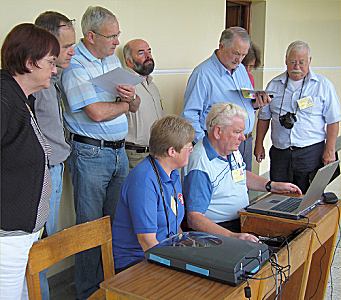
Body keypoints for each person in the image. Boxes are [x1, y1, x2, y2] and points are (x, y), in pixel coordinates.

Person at [61, 6, 140, 298]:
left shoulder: (109, 61)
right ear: (90, 36)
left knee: (117, 223)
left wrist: (131, 100)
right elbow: (95, 112)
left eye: (118, 35)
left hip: (118, 152)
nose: (117, 42)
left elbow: (135, 105)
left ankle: (112, 287)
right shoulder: (75, 67)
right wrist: (124, 105)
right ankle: (88, 292)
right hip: (91, 154)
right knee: (91, 229)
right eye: (112, 36)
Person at [183, 103, 302, 241]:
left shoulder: (227, 147)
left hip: (243, 219)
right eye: (237, 132)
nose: (243, 138)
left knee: (292, 231)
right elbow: (194, 218)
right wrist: (234, 237)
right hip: (220, 231)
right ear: (217, 132)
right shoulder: (200, 165)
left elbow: (240, 174)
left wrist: (271, 185)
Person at [0, 23, 59, 300]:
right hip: (6, 238)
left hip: (19, 237)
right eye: (50, 62)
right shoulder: (4, 99)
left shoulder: (20, 98)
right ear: (29, 62)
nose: (54, 69)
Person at [254, 41, 341, 193]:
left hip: (310, 152)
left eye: (301, 62)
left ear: (309, 62)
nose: (297, 67)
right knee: (279, 195)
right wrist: (259, 143)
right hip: (281, 153)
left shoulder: (322, 85)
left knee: (309, 196)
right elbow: (264, 117)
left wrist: (330, 149)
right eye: (293, 62)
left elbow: (333, 120)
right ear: (285, 60)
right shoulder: (273, 85)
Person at [112, 115, 195, 272]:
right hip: (137, 262)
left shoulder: (173, 173)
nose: (191, 151)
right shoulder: (143, 181)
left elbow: (175, 227)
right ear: (172, 151)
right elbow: (147, 241)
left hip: (165, 253)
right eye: (189, 148)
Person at [182, 26, 271, 171]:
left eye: (243, 55)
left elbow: (244, 100)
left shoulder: (241, 69)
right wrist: (205, 146)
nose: (239, 59)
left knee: (241, 187)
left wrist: (255, 104)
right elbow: (189, 114)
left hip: (245, 141)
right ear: (221, 46)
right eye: (236, 53)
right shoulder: (202, 74)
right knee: (223, 191)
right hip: (220, 145)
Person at [34, 11, 76, 300]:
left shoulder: (54, 78)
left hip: (56, 166)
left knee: (46, 243)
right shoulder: (31, 84)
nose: (73, 51)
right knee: (38, 245)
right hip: (43, 170)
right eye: (67, 46)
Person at [123, 39, 164, 169]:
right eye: (141, 53)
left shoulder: (152, 85)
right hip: (135, 156)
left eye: (149, 51)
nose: (148, 56)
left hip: (157, 154)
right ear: (129, 61)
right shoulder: (125, 85)